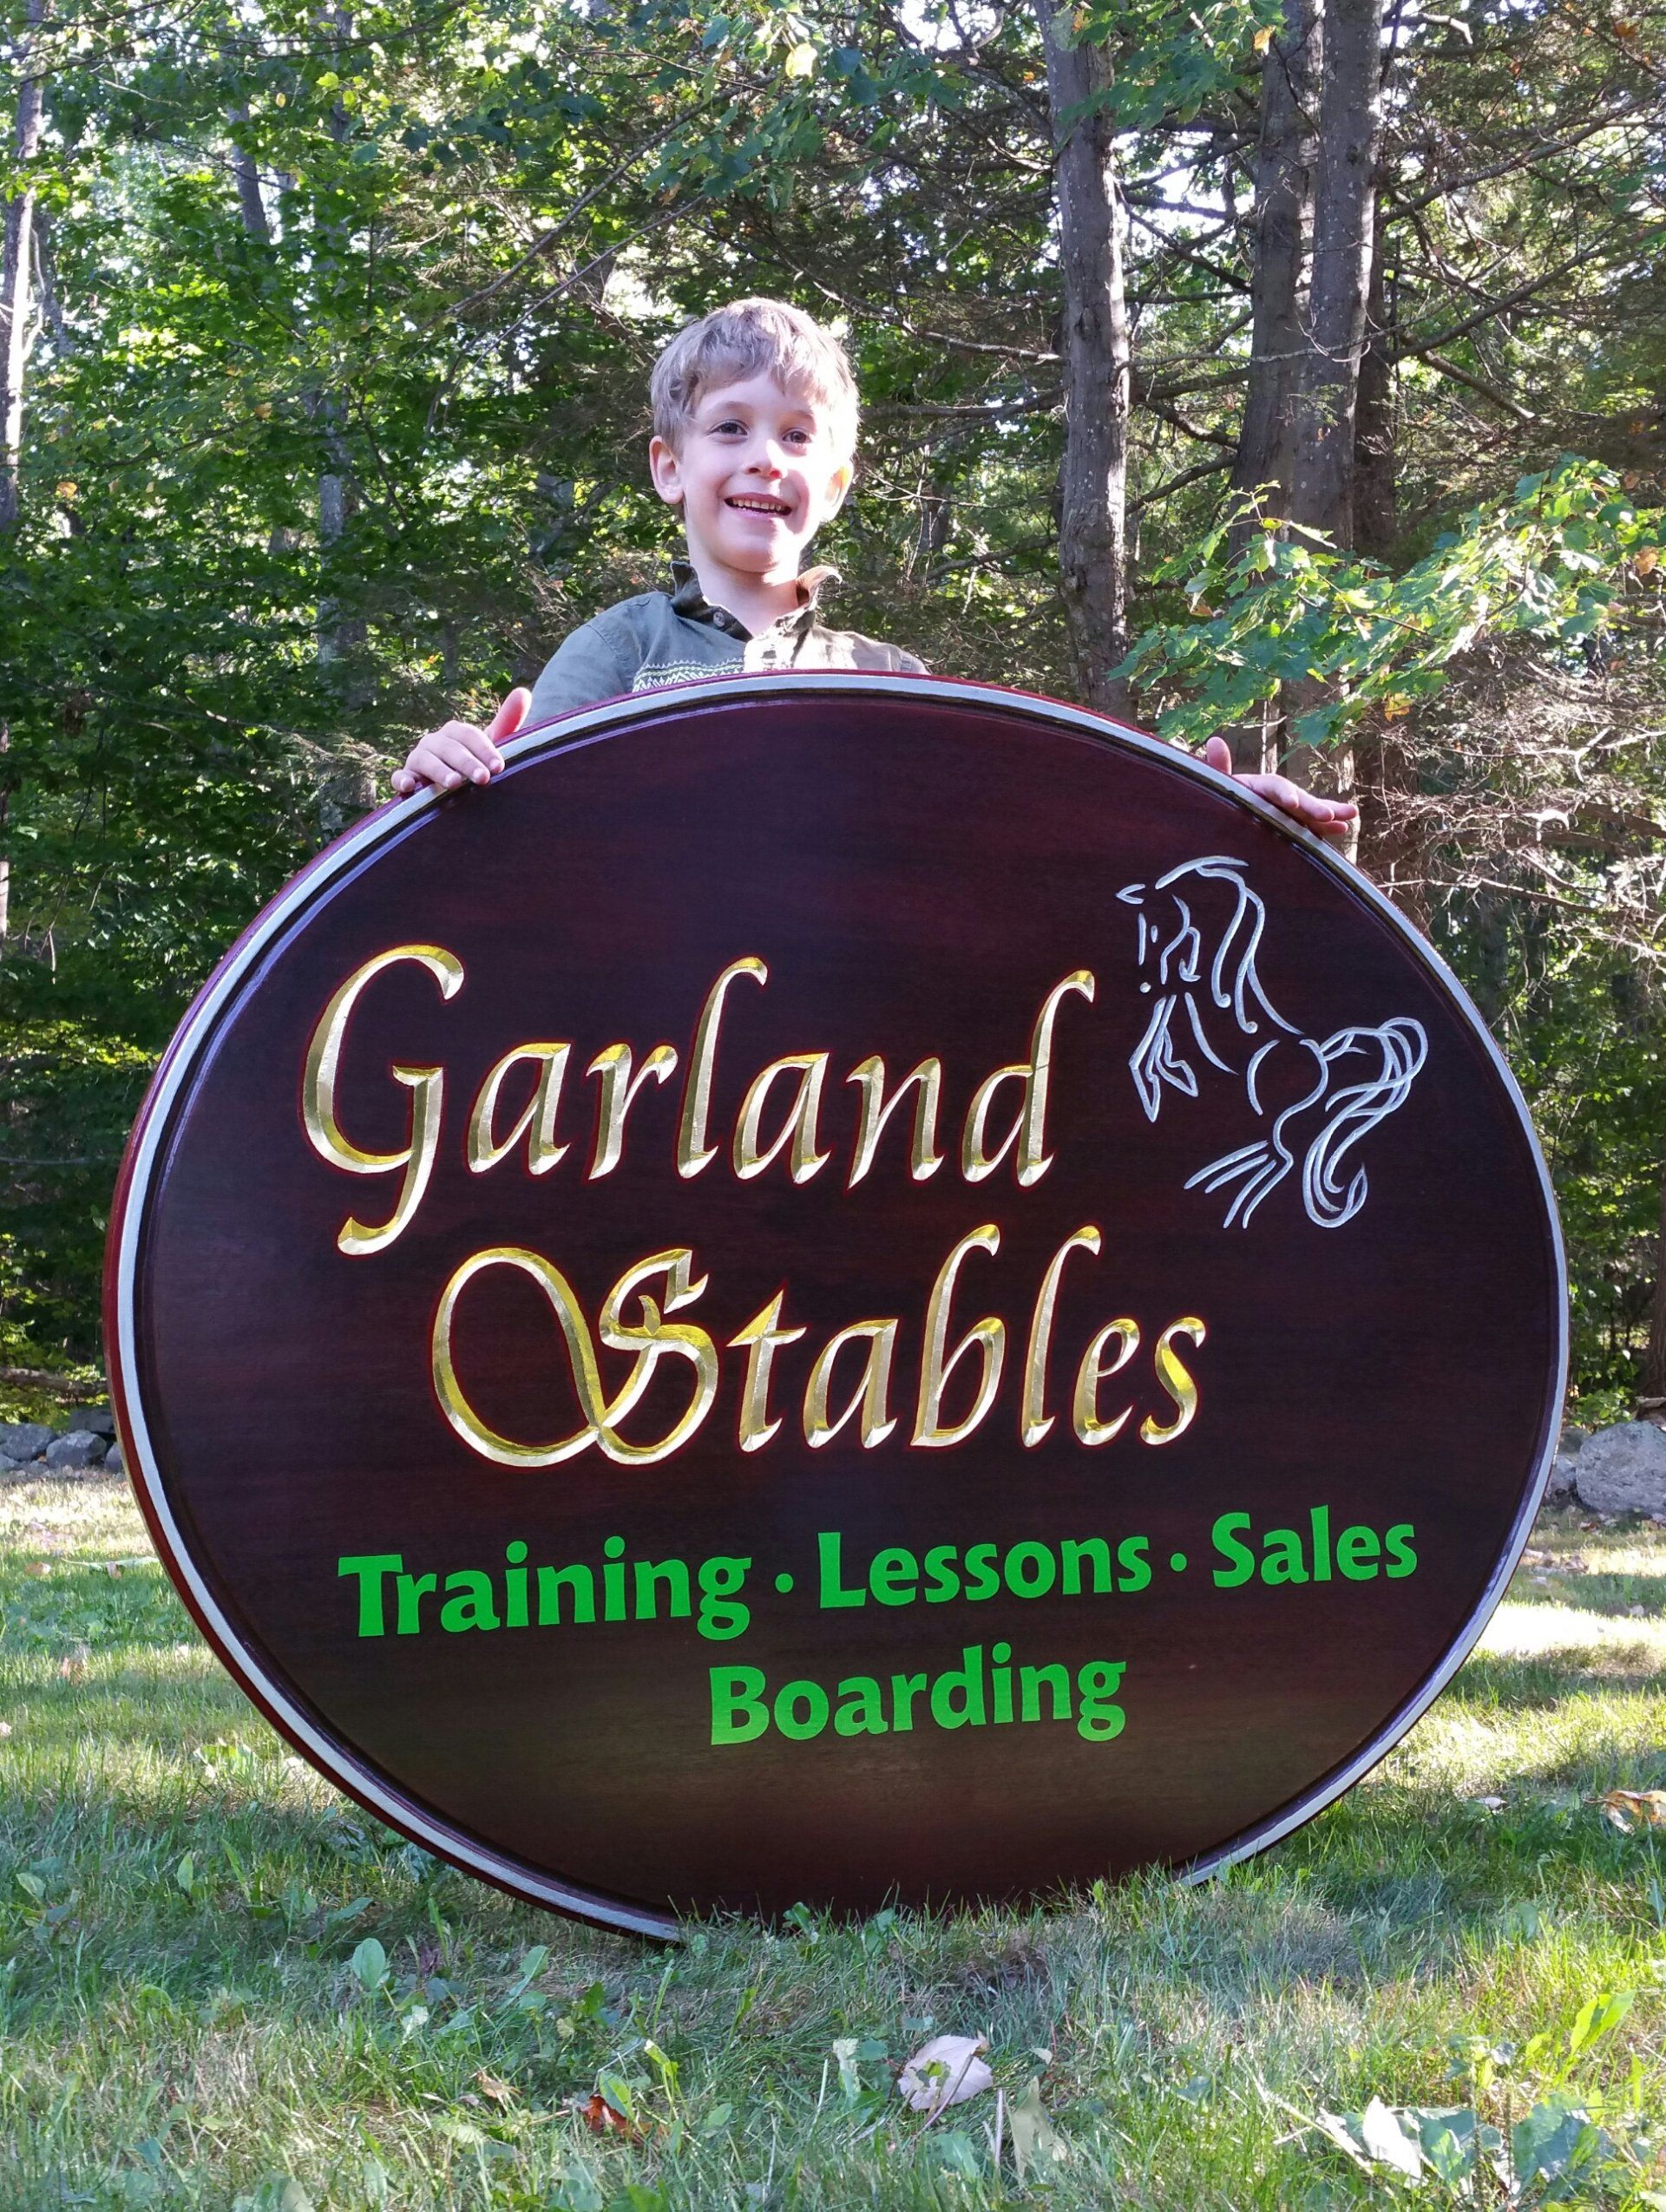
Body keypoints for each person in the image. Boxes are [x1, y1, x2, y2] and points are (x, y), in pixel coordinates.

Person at [391, 298, 1356, 843]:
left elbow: (1016, 838)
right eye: (732, 427)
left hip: (843, 1082)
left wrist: (1195, 812)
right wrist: (441, 786)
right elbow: (512, 851)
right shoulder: (619, 652)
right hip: (647, 1055)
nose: (767, 457)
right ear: (671, 466)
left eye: (798, 437)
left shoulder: (889, 682)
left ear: (837, 483)